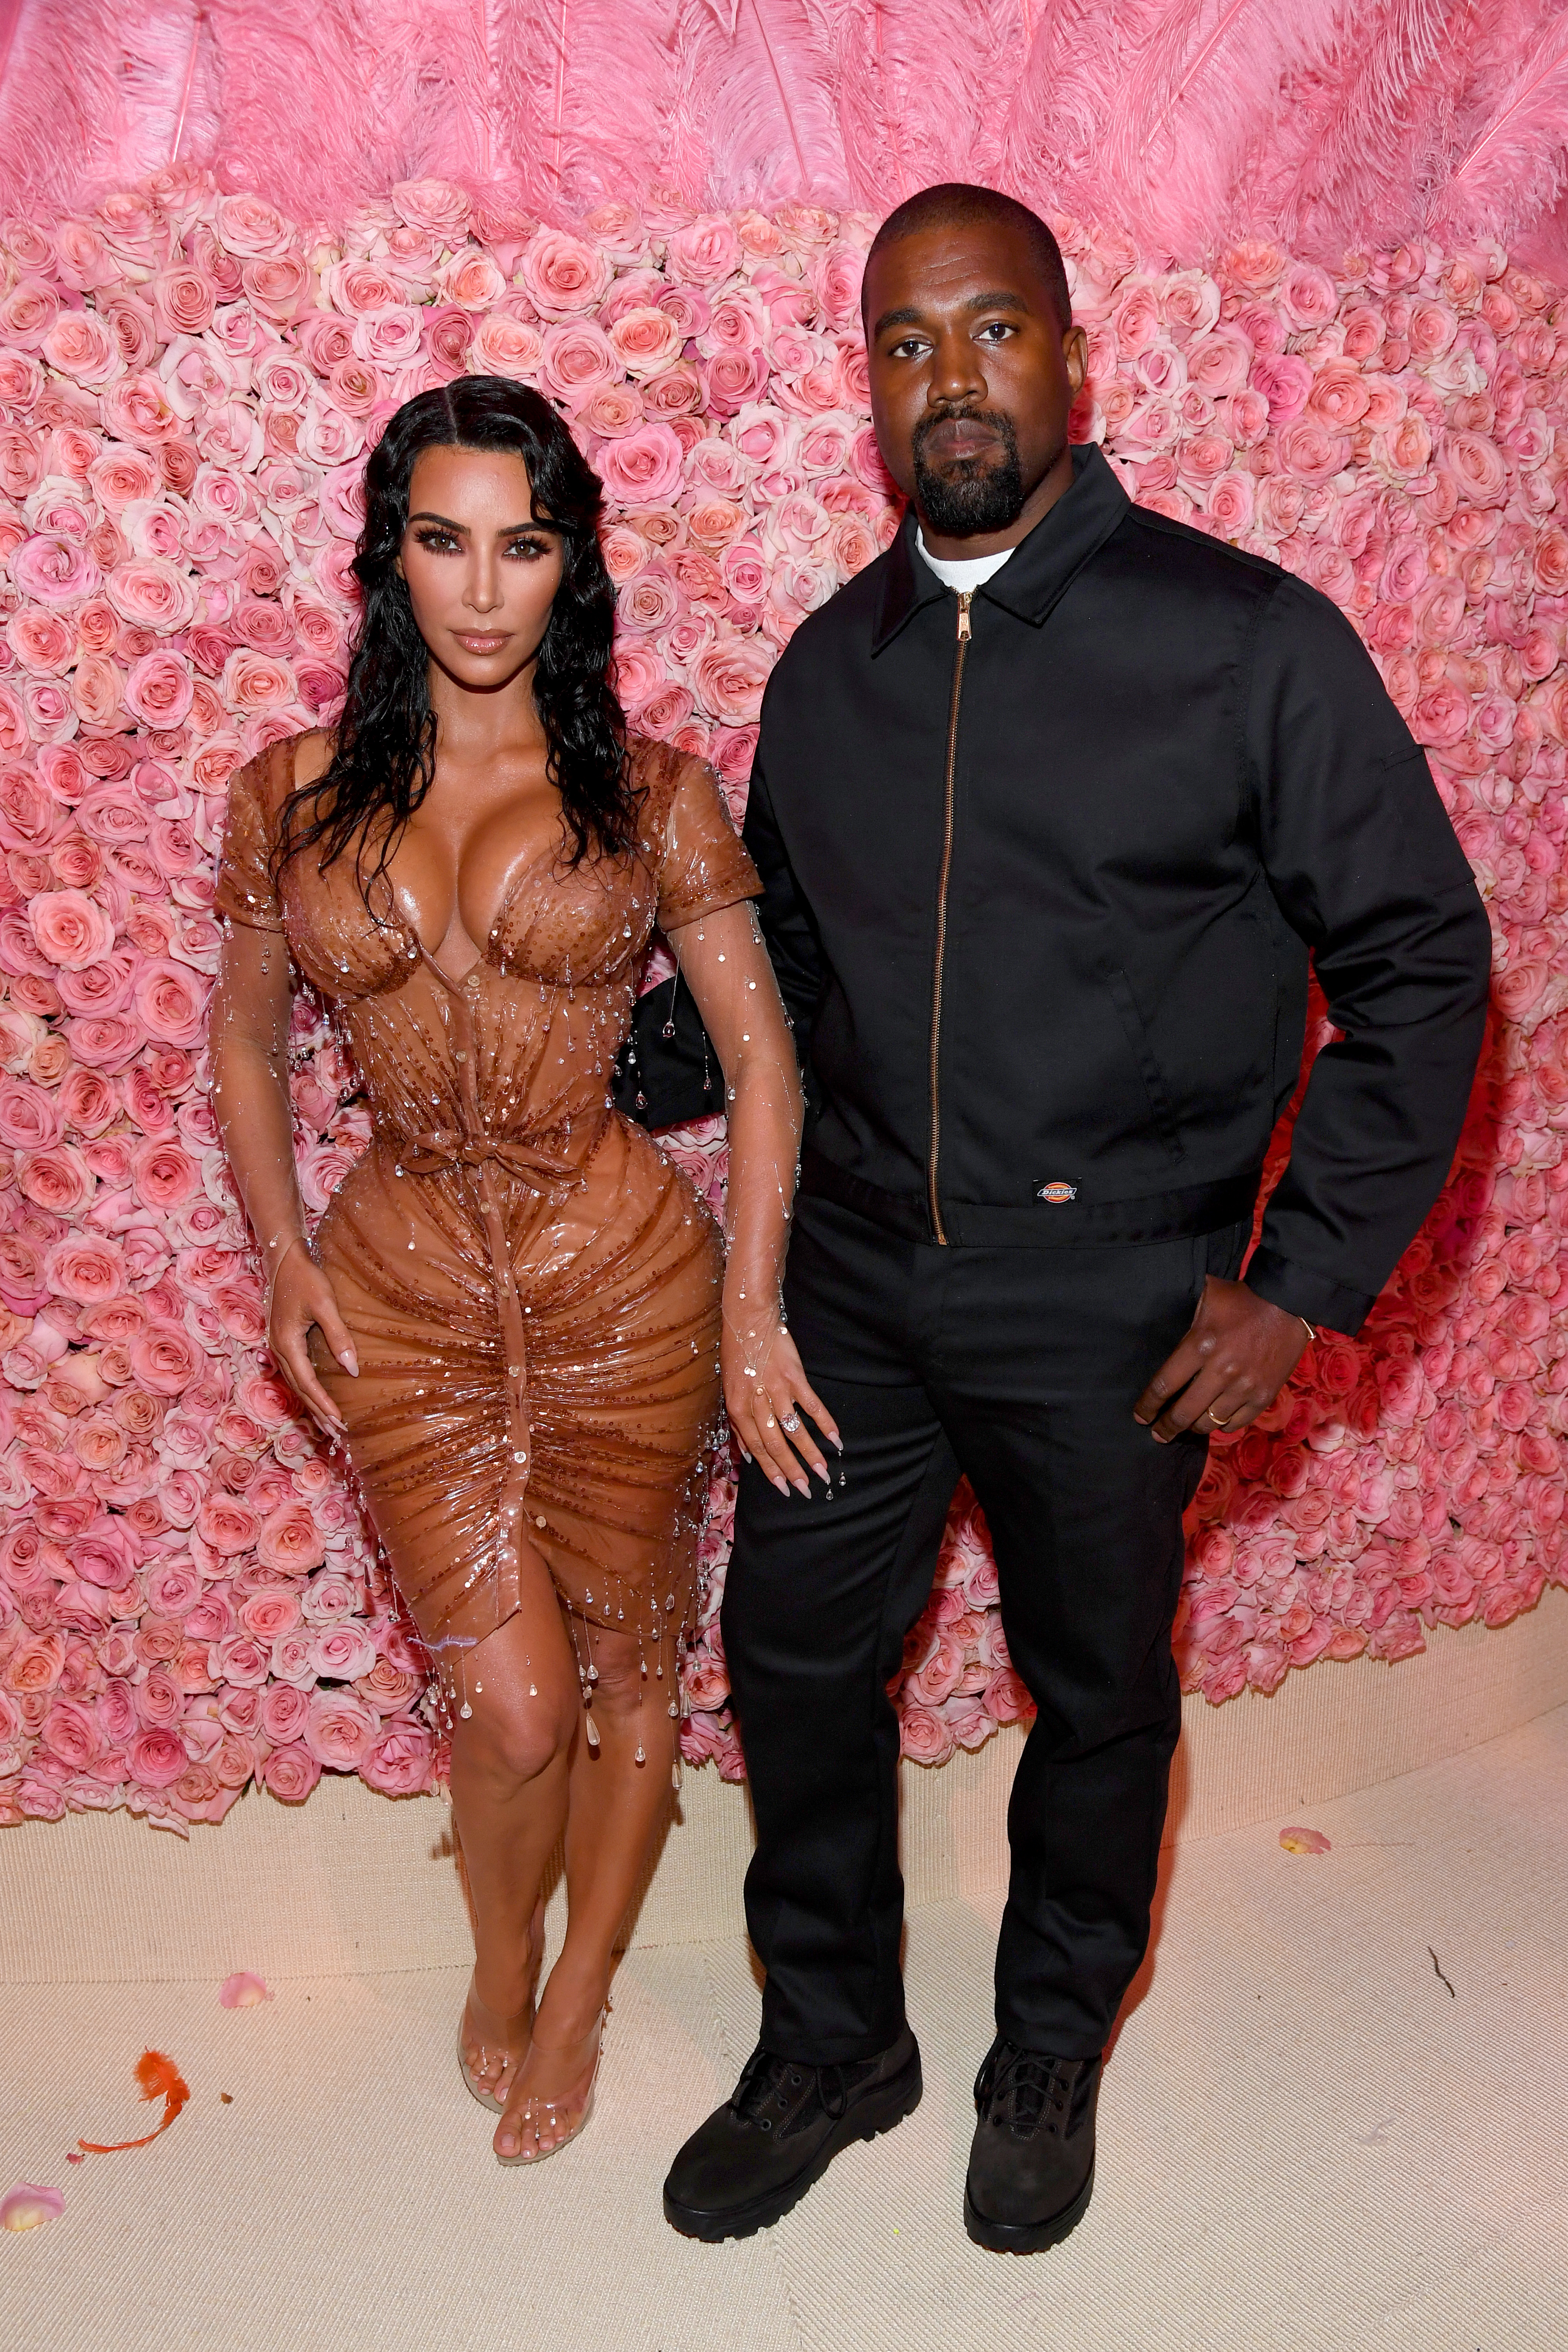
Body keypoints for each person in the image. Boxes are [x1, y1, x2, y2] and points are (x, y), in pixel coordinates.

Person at [662, 185, 1491, 2252]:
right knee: (787, 1660)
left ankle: (1049, 2043)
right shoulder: (830, 668)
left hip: (1113, 1282)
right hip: (856, 1270)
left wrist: (1304, 1279)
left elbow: (1422, 961)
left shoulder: (1242, 637)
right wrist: (547, 1047)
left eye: (993, 328)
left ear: (1070, 356)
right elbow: (790, 975)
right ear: (867, 383)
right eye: (905, 342)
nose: (952, 377)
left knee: (1100, 1689)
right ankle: (837, 2035)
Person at [210, 379, 824, 2167]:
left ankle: (580, 1992)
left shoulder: (652, 797)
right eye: (443, 540)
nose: (482, 590)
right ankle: (503, 1960)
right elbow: (249, 1041)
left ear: (574, 568)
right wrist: (281, 1255)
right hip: (398, 1295)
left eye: (525, 544)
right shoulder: (290, 798)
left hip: (624, 1279)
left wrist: (750, 1310)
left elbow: (763, 1057)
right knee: (513, 1700)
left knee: (634, 1672)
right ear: (389, 559)